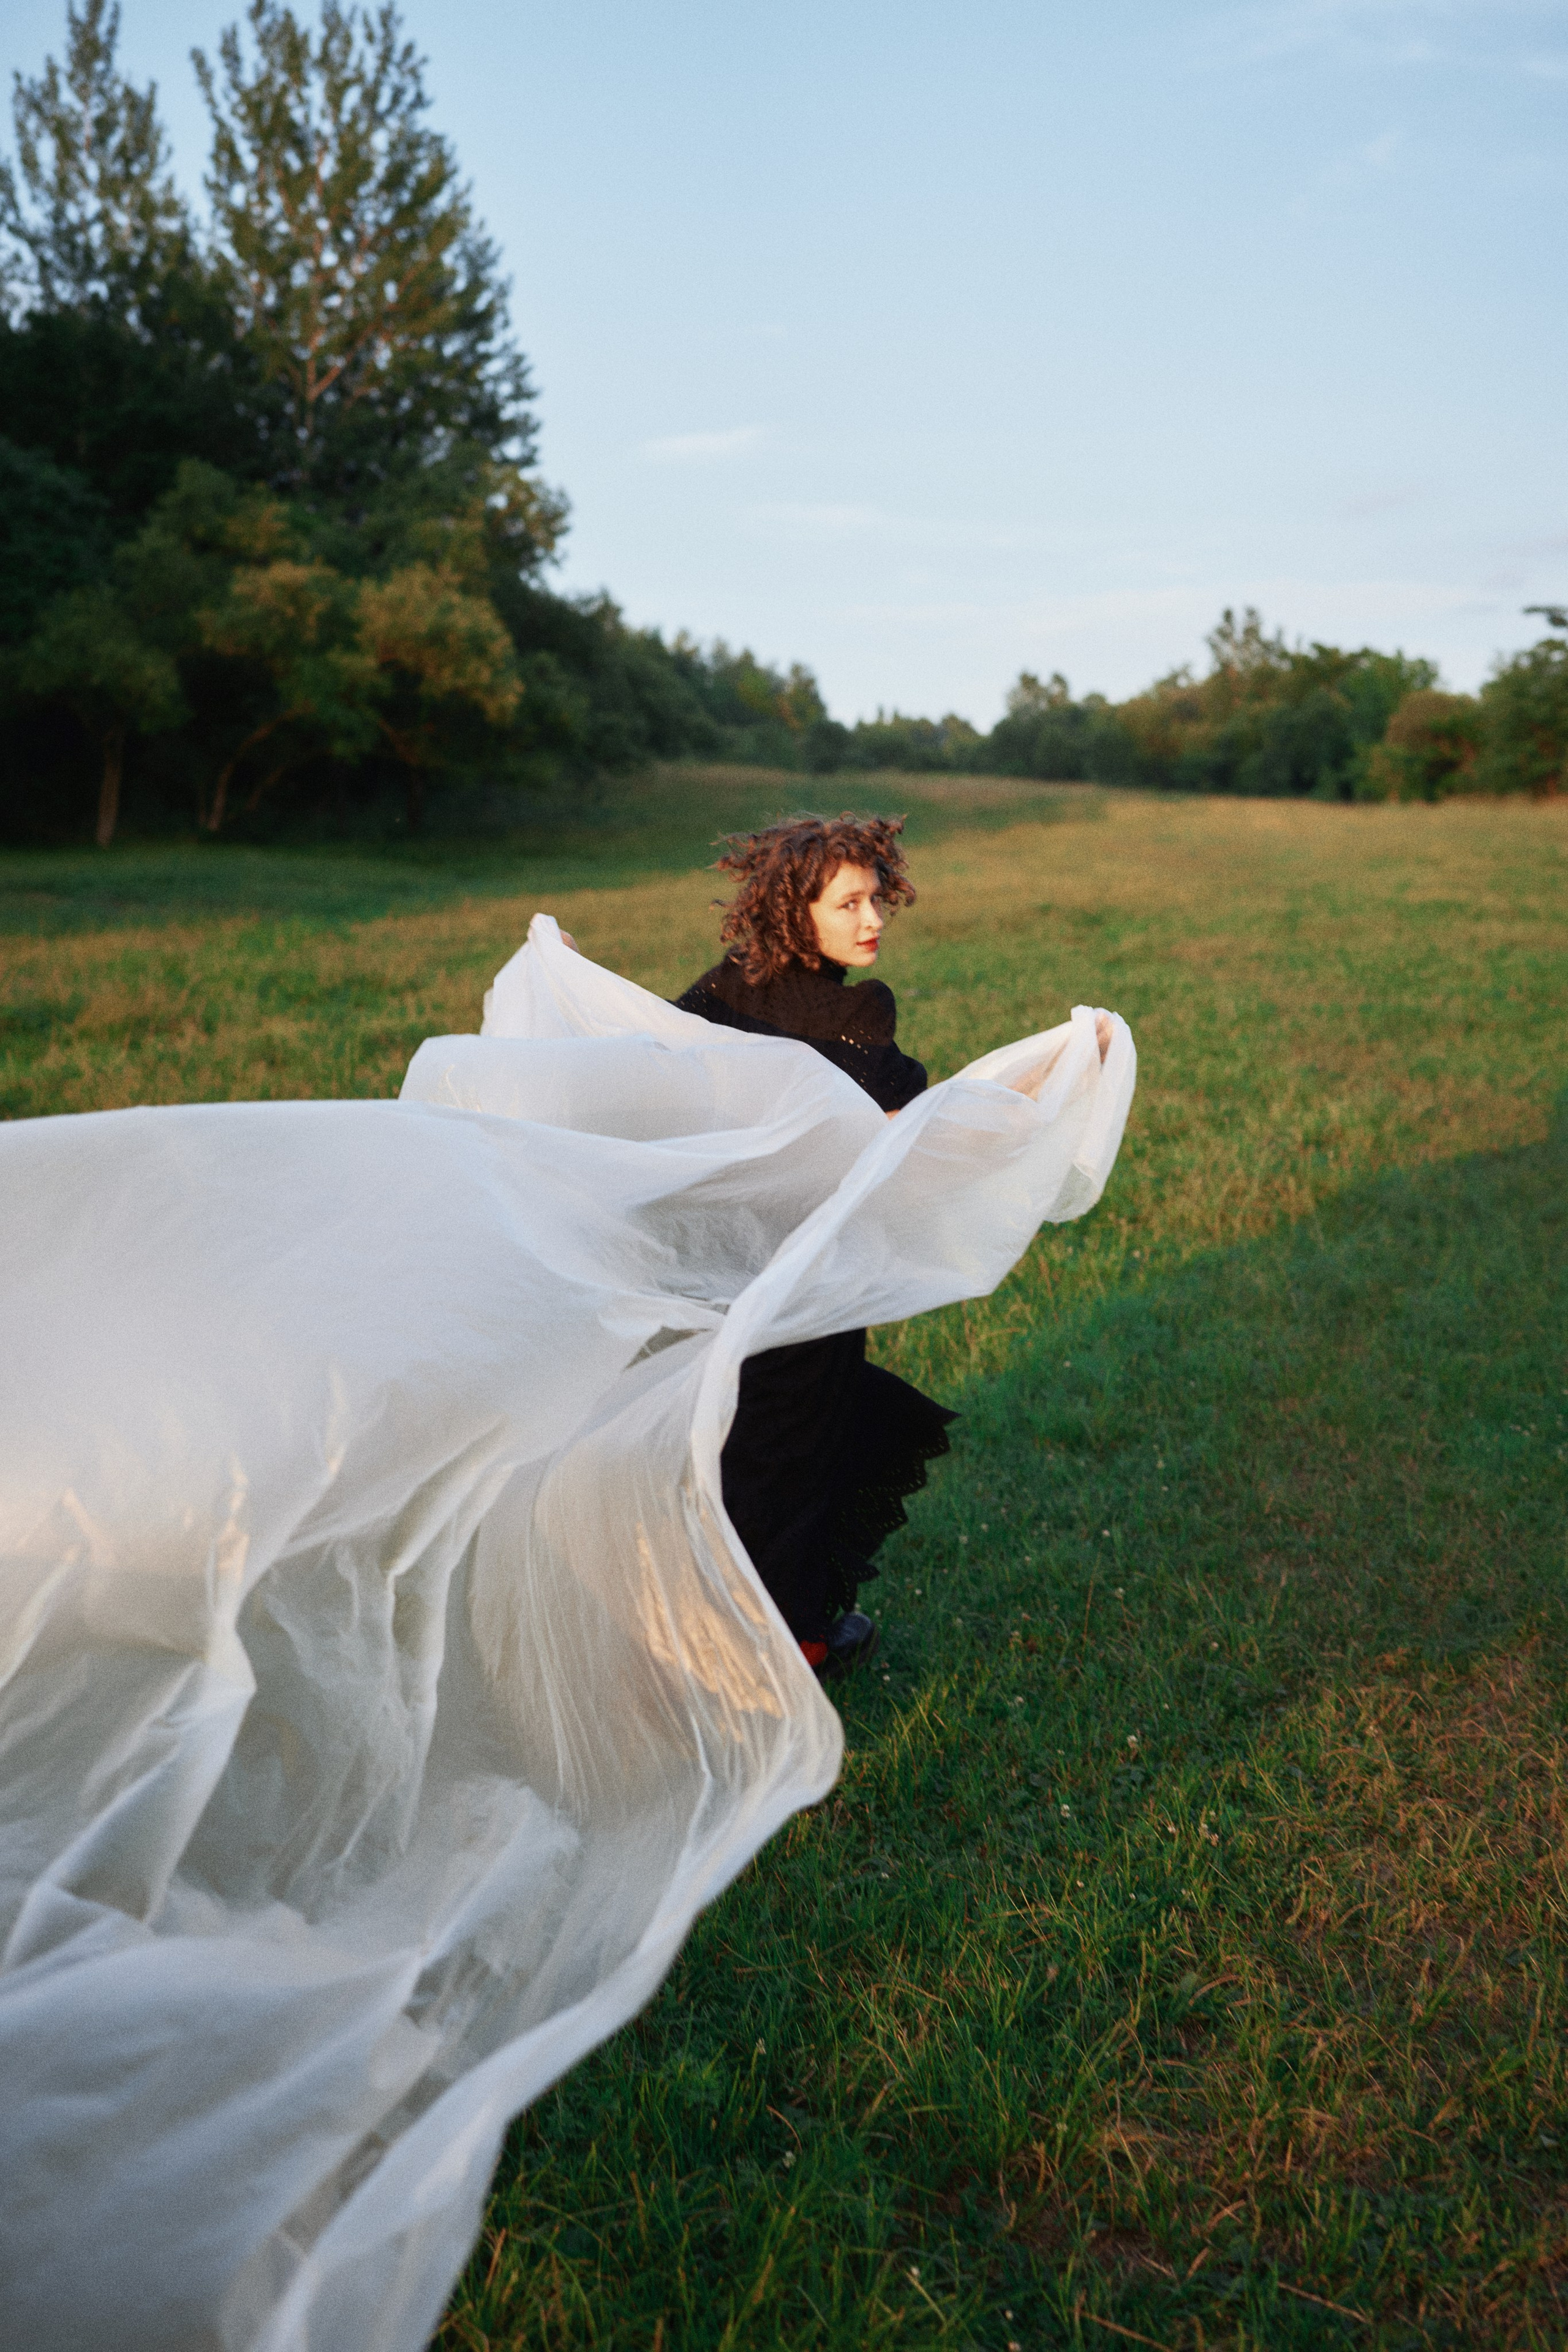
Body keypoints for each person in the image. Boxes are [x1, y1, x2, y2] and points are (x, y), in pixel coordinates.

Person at [670, 812, 954, 1679]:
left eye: (877, 899)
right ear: (797, 912)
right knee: (796, 1456)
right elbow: (910, 1121)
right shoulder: (855, 1010)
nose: (873, 920)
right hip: (806, 1270)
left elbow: (649, 1058)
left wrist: (564, 976)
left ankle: (717, 1628)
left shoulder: (726, 989)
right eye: (850, 903)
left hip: (718, 1261)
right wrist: (1053, 1077)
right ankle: (786, 1646)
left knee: (734, 1443)